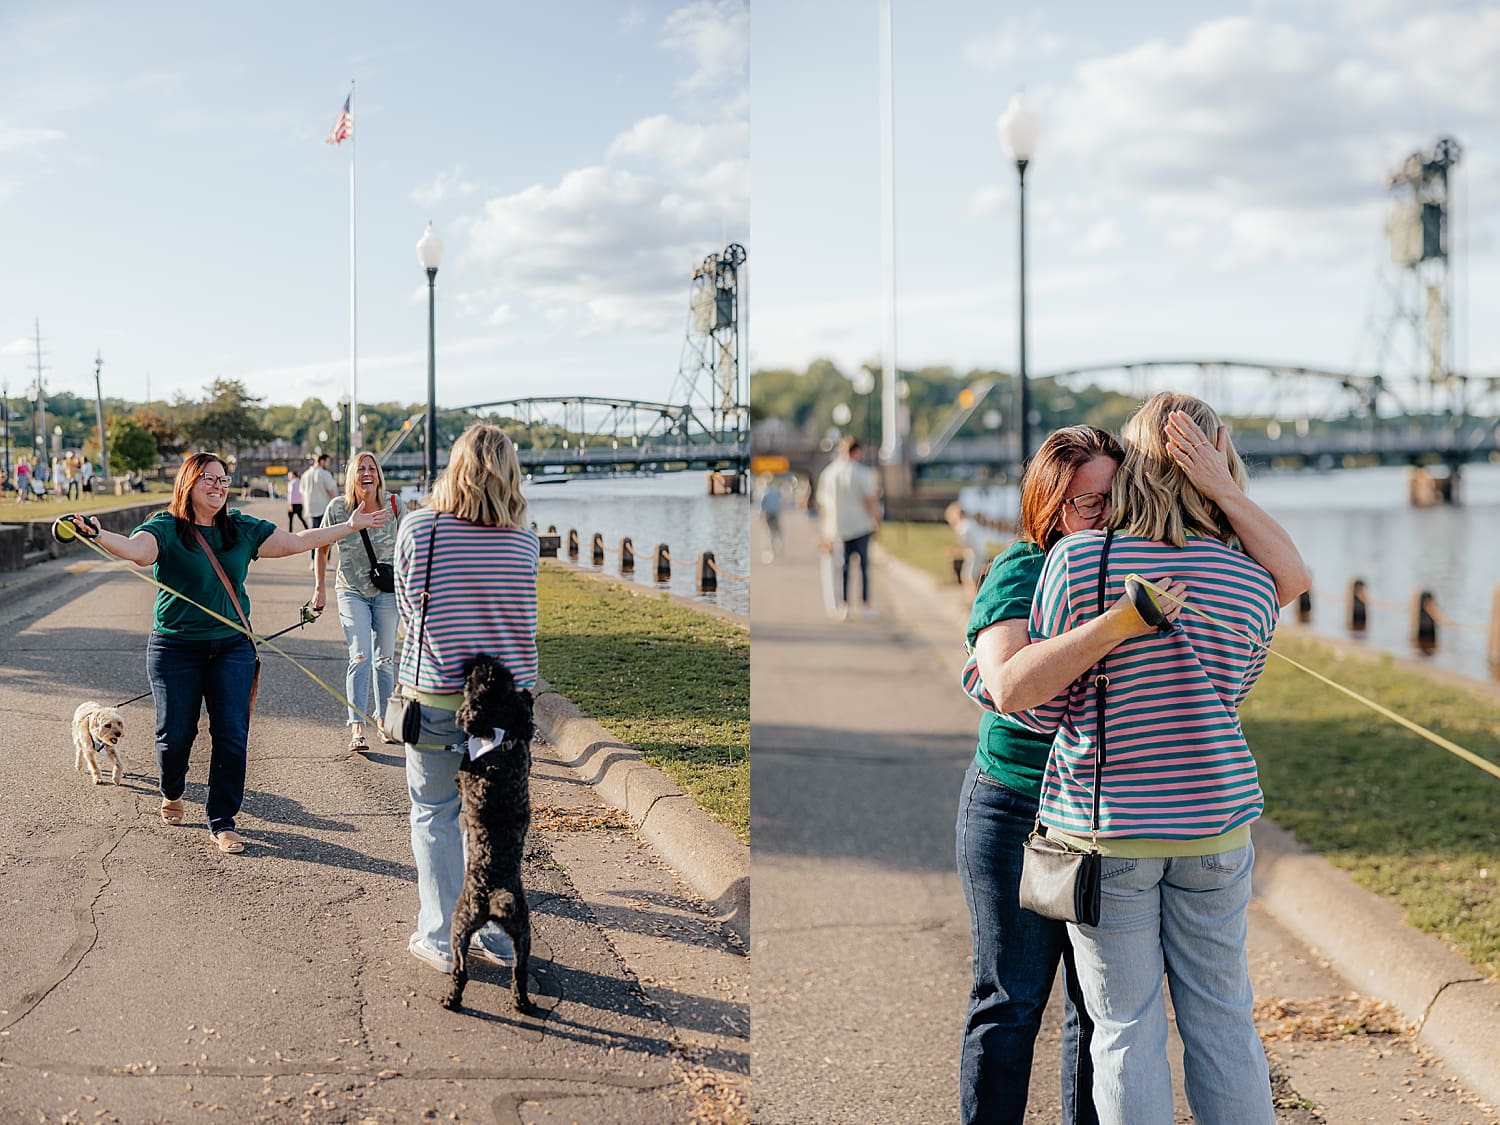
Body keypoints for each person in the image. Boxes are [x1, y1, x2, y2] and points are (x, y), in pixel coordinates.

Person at [957, 415, 1309, 1125]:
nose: (1104, 514)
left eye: (1114, 496)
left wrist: (1214, 489)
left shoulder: (1100, 560)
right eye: (1088, 504)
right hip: (1016, 803)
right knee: (1014, 999)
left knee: (1103, 1020)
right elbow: (1009, 689)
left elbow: (1291, 577)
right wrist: (1122, 623)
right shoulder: (1026, 567)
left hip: (1098, 815)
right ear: (1049, 508)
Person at [75, 451, 389, 854]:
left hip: (232, 645)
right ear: (188, 483)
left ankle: (222, 819)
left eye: (223, 480)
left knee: (232, 735)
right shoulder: (166, 527)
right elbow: (137, 550)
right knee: (176, 735)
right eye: (209, 479)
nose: (218, 486)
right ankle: (172, 790)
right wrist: (98, 535)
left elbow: (295, 541)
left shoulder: (240, 527)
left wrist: (349, 526)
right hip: (175, 646)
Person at [395, 423, 538, 974]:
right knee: (496, 822)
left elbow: (410, 611)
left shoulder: (420, 529)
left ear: (454, 469)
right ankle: (500, 937)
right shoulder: (524, 541)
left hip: (433, 693)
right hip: (503, 708)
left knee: (434, 811)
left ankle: (438, 933)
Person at [313, 450, 401, 753]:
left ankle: (384, 720)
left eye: (372, 468)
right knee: (361, 655)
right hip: (351, 591)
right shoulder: (338, 508)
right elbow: (321, 548)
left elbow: (409, 548)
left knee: (385, 661)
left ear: (378, 474)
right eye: (361, 468)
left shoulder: (394, 504)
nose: (367, 473)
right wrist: (319, 589)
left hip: (388, 593)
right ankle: (357, 727)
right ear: (353, 475)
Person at [816, 435, 881, 620]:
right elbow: (870, 500)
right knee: (864, 567)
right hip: (861, 525)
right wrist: (877, 520)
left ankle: (845, 606)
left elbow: (823, 505)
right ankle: (866, 605)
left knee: (842, 568)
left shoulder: (829, 473)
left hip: (838, 528)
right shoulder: (862, 473)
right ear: (857, 452)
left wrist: (824, 532)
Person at [300, 453, 338, 561]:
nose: (328, 464)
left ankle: (313, 560)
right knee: (326, 536)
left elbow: (302, 491)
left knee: (313, 537)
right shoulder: (325, 474)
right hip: (324, 508)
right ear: (322, 461)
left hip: (310, 509)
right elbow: (331, 491)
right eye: (327, 462)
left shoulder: (305, 475)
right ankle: (326, 561)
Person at [758, 475, 784, 563]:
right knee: (777, 531)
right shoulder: (776, 491)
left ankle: (770, 551)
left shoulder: (765, 492)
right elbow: (780, 501)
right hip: (775, 513)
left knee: (768, 532)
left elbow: (761, 505)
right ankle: (779, 545)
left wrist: (760, 515)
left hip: (768, 514)